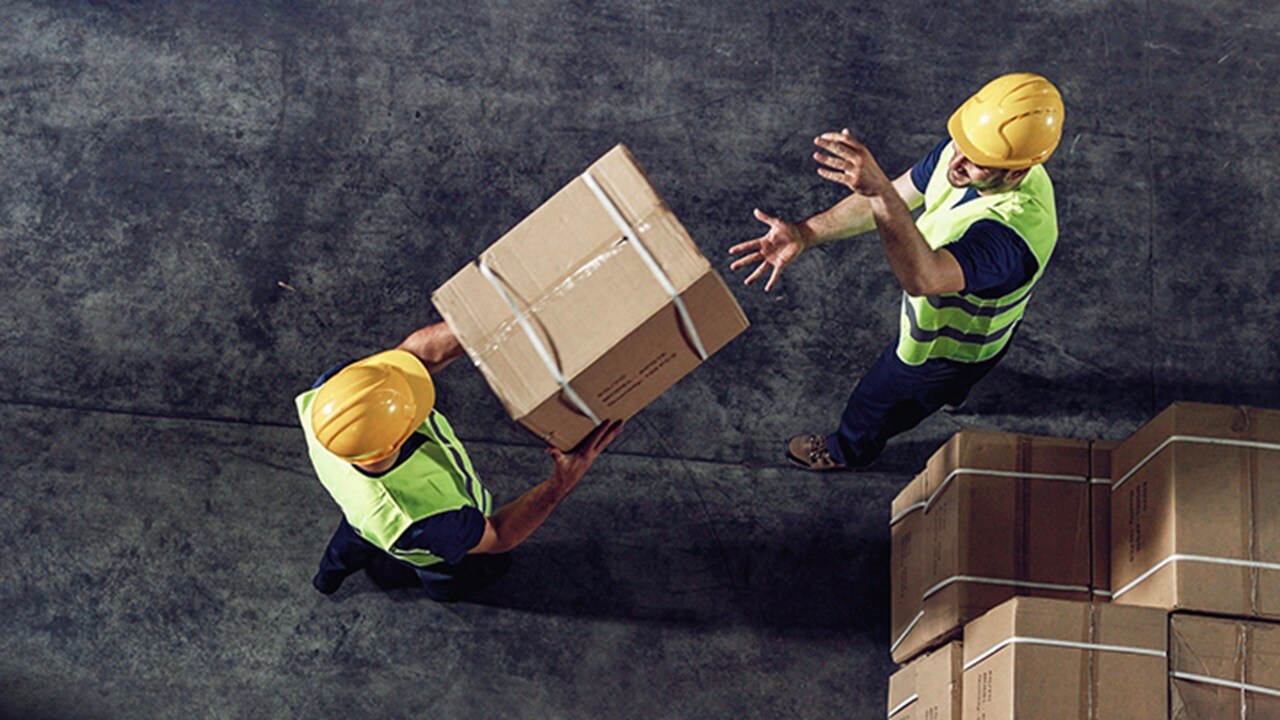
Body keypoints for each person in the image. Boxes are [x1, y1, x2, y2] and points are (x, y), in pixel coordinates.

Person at [729, 72, 1063, 471]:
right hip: (988, 334)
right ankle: (954, 391)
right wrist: (804, 233)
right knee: (961, 379)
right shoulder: (974, 148)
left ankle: (844, 450)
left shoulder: (1010, 236)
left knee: (874, 401)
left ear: (1015, 174)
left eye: (975, 162)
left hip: (943, 350)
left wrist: (879, 193)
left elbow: (923, 278)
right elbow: (900, 196)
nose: (956, 162)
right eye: (961, 142)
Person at [296, 320, 625, 600]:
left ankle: (326, 579)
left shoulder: (332, 399)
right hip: (420, 543)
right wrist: (560, 483)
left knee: (353, 538)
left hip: (359, 511)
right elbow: (498, 535)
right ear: (394, 443)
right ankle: (443, 590)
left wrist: (480, 323)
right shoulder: (423, 520)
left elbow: (411, 356)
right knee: (460, 574)